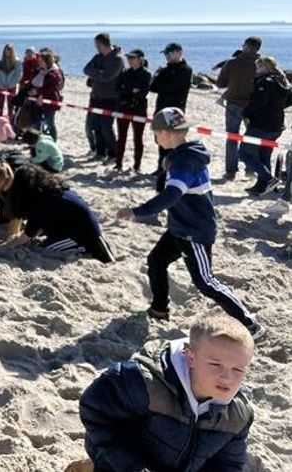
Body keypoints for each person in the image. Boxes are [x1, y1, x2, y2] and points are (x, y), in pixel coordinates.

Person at [116, 107, 261, 335]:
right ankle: (159, 309)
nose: (155, 137)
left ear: (166, 132)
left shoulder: (185, 161)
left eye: (156, 133)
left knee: (205, 282)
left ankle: (250, 323)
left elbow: (172, 195)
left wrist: (137, 211)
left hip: (195, 231)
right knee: (156, 261)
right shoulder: (182, 154)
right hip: (179, 227)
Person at [79, 311, 254, 471]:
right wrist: (131, 466)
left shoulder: (238, 415)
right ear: (190, 357)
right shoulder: (141, 381)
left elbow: (227, 464)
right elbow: (95, 410)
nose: (227, 377)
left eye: (238, 369)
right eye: (216, 365)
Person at [0, 163, 115, 262]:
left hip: (84, 238)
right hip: (88, 229)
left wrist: (5, 247)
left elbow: (27, 235)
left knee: (47, 247)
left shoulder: (40, 202)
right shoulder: (53, 190)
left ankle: (82, 249)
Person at [239, 56, 290, 194]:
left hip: (262, 125)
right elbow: (288, 100)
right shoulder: (282, 81)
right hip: (276, 125)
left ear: (266, 67)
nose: (256, 70)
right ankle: (264, 186)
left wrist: (245, 113)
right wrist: (276, 107)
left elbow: (258, 102)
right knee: (264, 155)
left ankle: (269, 179)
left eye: (258, 67)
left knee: (244, 153)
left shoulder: (266, 82)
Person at [216, 37, 262, 180]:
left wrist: (233, 82)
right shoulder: (262, 64)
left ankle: (231, 171)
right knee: (252, 137)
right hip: (254, 105)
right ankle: (250, 169)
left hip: (234, 103)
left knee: (232, 137)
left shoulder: (233, 62)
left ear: (247, 47)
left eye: (243, 45)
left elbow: (220, 83)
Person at [149, 42, 193, 178]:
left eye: (169, 53)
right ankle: (161, 167)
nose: (167, 56)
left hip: (175, 111)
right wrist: (158, 75)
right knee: (161, 140)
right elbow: (154, 87)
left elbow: (171, 86)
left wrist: (162, 79)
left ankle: (173, 168)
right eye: (166, 54)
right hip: (161, 108)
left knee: (174, 141)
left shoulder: (186, 69)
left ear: (179, 52)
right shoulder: (166, 69)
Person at [82, 32, 125, 161]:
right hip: (96, 97)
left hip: (111, 99)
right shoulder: (98, 57)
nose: (96, 48)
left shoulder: (117, 59)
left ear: (103, 44)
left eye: (97, 45)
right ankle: (100, 152)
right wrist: (98, 72)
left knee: (106, 126)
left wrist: (96, 73)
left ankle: (113, 153)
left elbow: (106, 77)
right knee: (94, 126)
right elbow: (86, 69)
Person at [114, 49, 152, 172]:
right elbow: (118, 89)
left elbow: (143, 92)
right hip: (123, 108)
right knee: (121, 137)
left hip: (139, 109)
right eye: (128, 58)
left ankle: (137, 166)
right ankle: (118, 164)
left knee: (138, 138)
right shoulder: (124, 72)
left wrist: (127, 89)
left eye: (132, 58)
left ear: (140, 60)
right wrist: (132, 89)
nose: (129, 60)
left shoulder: (146, 74)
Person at [29, 49, 64, 141]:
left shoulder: (55, 73)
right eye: (39, 61)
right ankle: (35, 143)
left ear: (47, 61)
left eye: (41, 61)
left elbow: (52, 88)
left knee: (49, 123)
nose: (39, 62)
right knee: (36, 123)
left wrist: (38, 92)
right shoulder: (37, 71)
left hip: (49, 102)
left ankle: (53, 142)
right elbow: (32, 81)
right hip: (36, 101)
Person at [0, 43, 23, 120]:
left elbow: (18, 75)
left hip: (11, 87)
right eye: (6, 50)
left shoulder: (17, 62)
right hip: (1, 86)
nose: (8, 52)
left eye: (10, 50)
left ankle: (11, 122)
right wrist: (1, 85)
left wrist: (10, 85)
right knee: (0, 106)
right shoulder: (0, 62)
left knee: (11, 105)